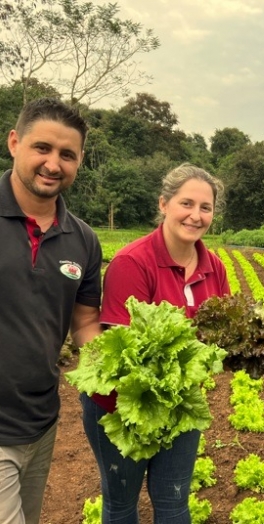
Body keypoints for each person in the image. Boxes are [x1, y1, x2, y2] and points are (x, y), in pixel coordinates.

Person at [81, 163, 230, 523]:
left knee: (174, 502)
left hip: (181, 404)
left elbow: (222, 335)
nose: (196, 216)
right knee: (121, 504)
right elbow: (122, 350)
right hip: (123, 403)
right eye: (186, 204)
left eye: (205, 208)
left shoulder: (214, 266)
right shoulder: (133, 262)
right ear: (164, 204)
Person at [0, 98, 102, 524]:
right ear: (14, 142)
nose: (53, 164)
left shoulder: (83, 240)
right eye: (42, 148)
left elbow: (83, 322)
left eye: (67, 155)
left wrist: (119, 370)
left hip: (41, 421)